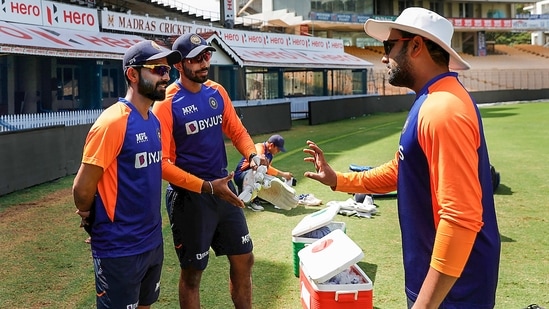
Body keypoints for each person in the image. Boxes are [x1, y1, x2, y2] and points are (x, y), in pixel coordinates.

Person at [303, 7, 500, 309]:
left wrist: (424, 305)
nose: (384, 57)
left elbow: (461, 218)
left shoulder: (442, 108)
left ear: (417, 45)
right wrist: (339, 180)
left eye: (389, 46)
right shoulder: (432, 99)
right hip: (442, 282)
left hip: (456, 290)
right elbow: (402, 169)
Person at [151, 33, 265, 309]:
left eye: (207, 56)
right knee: (192, 273)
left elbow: (237, 131)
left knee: (244, 257)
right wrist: (206, 186)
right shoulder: (166, 102)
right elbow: (162, 164)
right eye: (196, 59)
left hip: (224, 192)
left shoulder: (216, 91)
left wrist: (252, 155)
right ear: (179, 65)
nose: (204, 63)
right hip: (189, 199)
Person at [72, 40, 181, 308]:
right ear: (132, 74)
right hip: (119, 249)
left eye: (167, 71)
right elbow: (82, 189)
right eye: (157, 70)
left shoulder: (153, 120)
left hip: (152, 242)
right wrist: (91, 218)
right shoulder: (113, 122)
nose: (165, 77)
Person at [233, 134, 293, 211]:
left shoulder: (270, 154)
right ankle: (253, 201)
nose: (278, 151)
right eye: (278, 149)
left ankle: (246, 192)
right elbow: (259, 163)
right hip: (240, 175)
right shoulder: (259, 147)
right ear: (271, 145)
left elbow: (267, 171)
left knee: (267, 178)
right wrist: (283, 174)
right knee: (260, 171)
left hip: (249, 176)